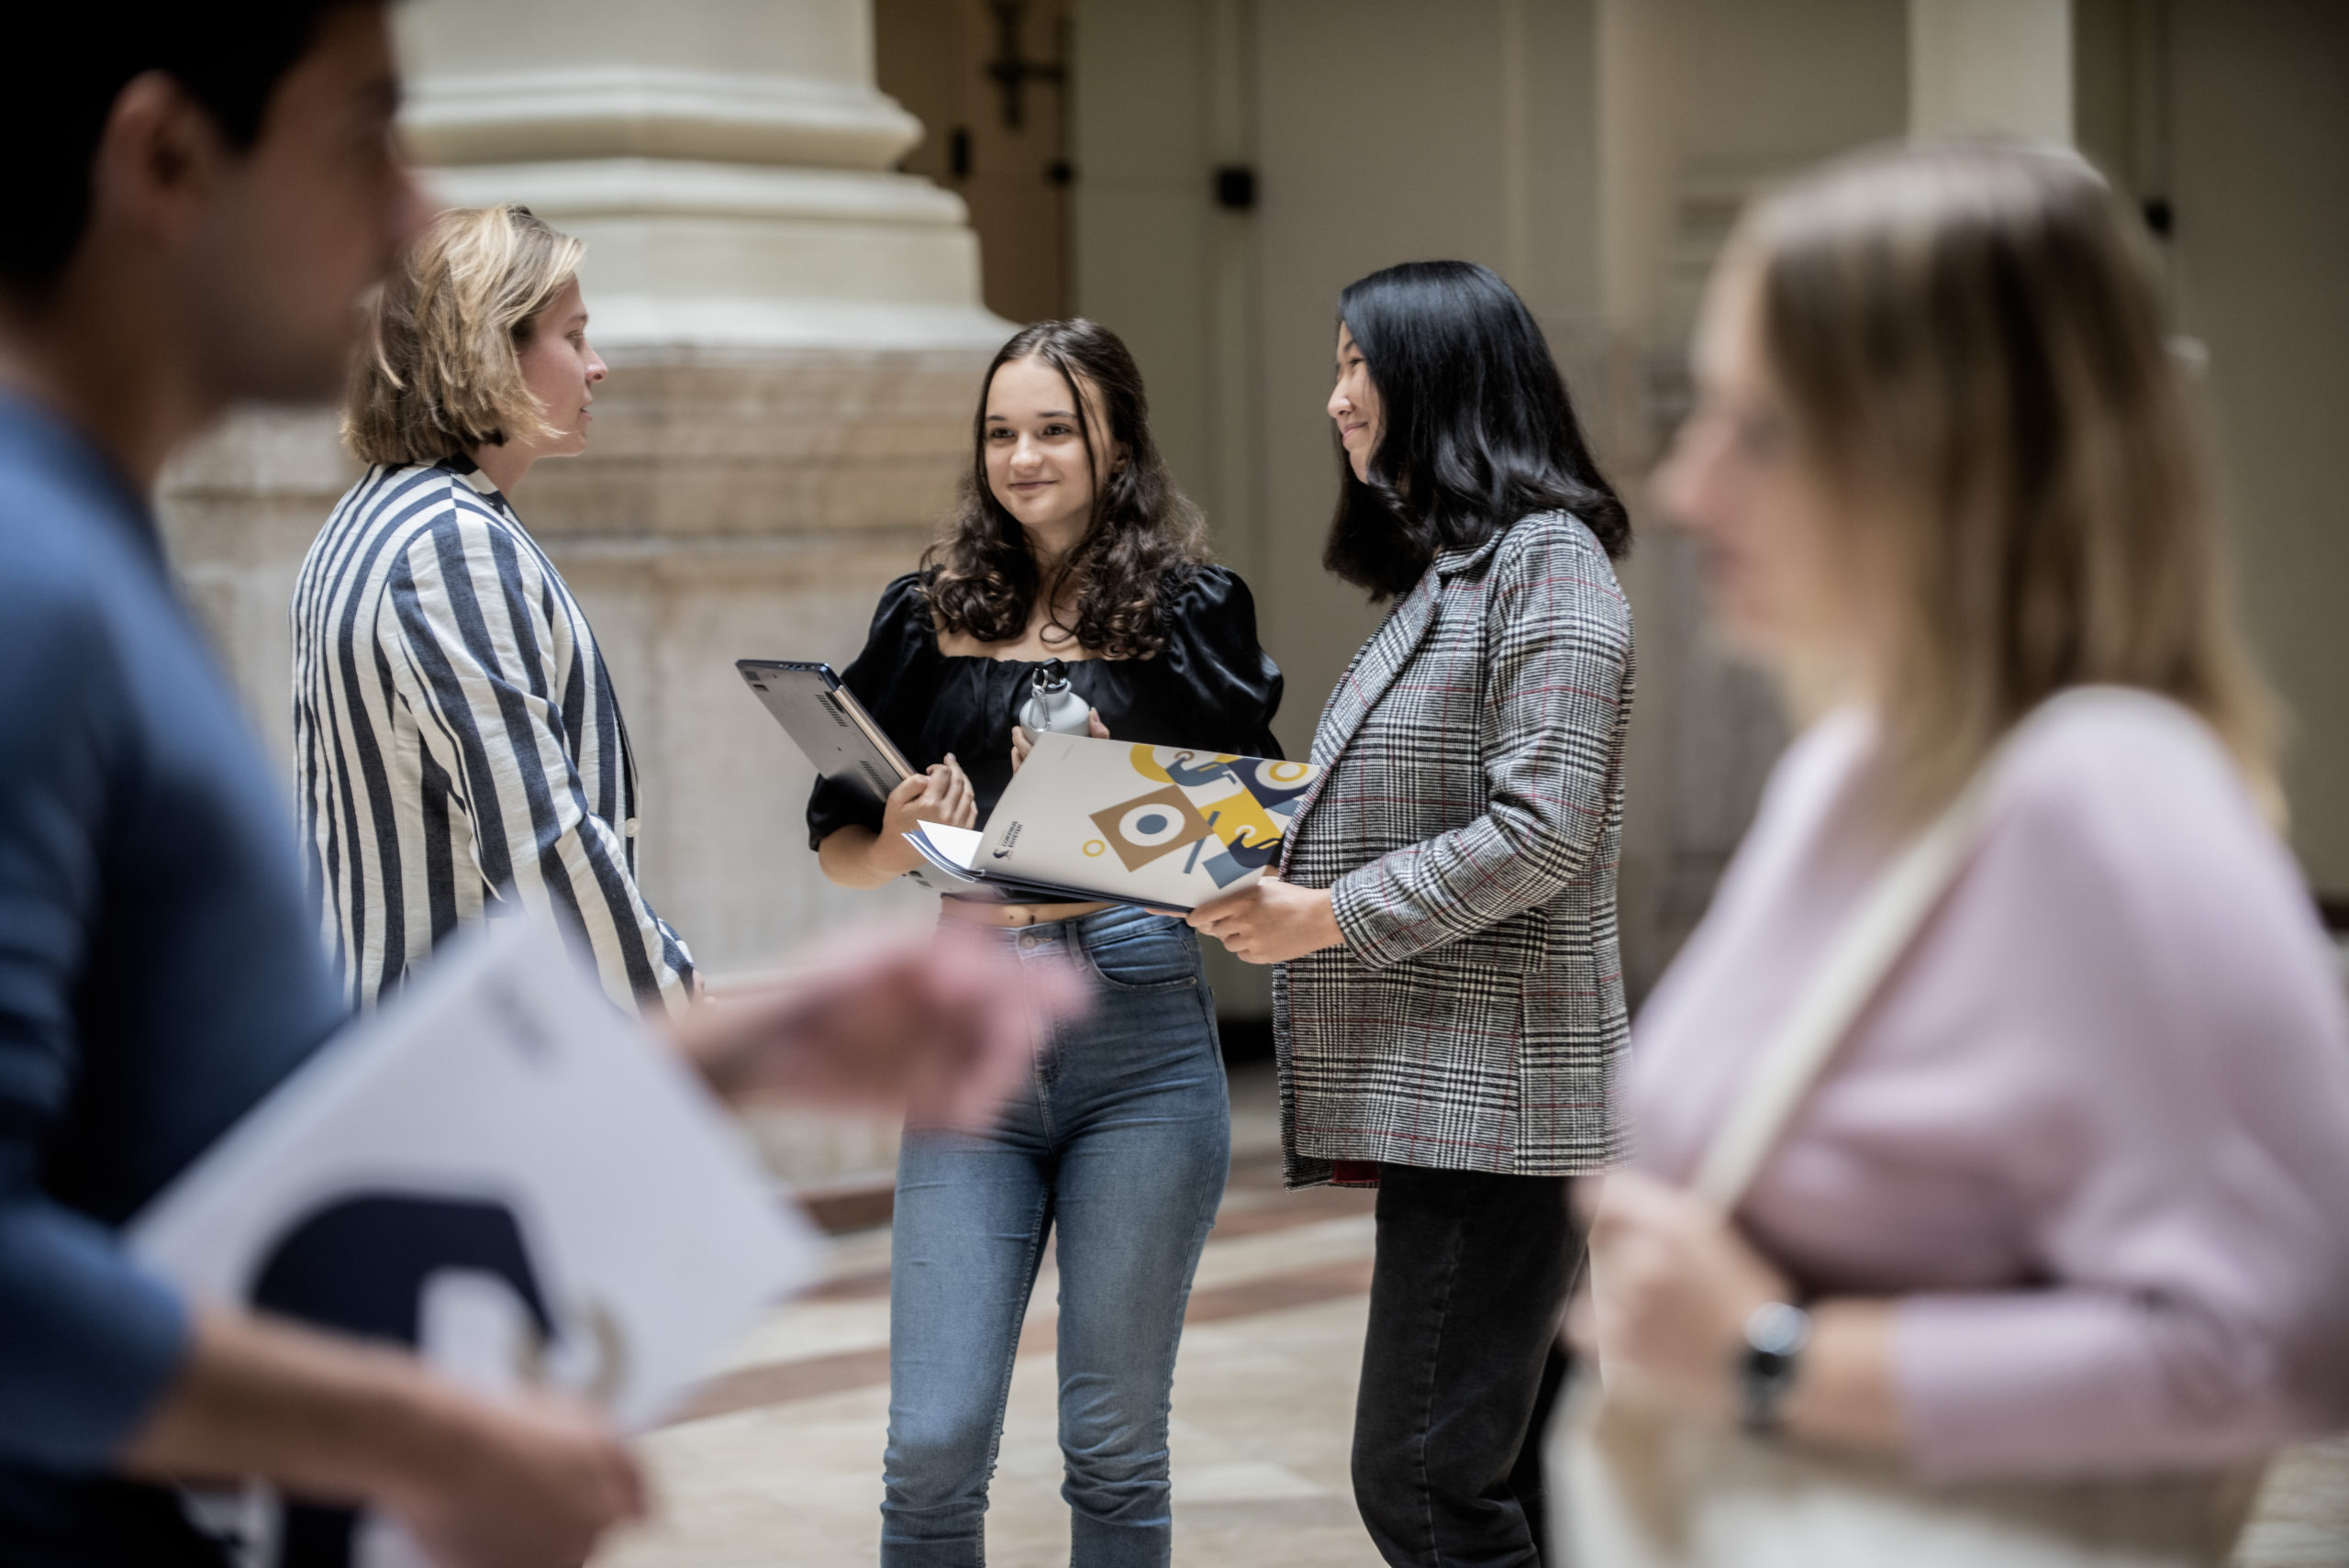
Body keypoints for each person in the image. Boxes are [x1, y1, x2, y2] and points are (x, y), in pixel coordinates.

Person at [0, 6, 1068, 1564]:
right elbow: (545, 849)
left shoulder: (269, 532)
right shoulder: (87, 570)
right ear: (166, 157)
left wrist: (767, 1034)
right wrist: (415, 1430)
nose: (410, 208)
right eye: (367, 130)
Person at [1574, 139, 2349, 1529]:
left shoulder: (2107, 788)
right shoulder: (1858, 766)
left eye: (1761, 431)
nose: (1688, 493)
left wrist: (1778, 1361)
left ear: (1951, 458)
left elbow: (2297, 1333)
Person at [809, 318, 1283, 1566]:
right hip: (968, 1030)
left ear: (1115, 439)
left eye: (1055, 429)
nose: (1024, 456)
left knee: (1115, 1447)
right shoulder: (926, 614)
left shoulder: (1193, 614)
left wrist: (1084, 811)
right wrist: (906, 834)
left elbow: (1246, 841)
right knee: (930, 1446)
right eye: (1001, 432)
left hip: (1135, 1028)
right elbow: (839, 842)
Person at [1187, 261, 1635, 1566]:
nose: (1334, 400)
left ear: (1435, 379)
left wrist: (1323, 917)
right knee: (1524, 1479)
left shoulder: (1546, 563)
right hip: (1464, 1092)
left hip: (1504, 1101)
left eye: (1354, 365)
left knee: (1424, 1483)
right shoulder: (1456, 576)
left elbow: (1540, 828)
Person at [295, 203, 694, 1015]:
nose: (598, 365)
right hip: (470, 1059)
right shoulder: (446, 543)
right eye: (573, 335)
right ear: (488, 351)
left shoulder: (366, 518)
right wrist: (674, 1011)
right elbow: (541, 839)